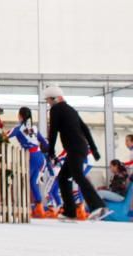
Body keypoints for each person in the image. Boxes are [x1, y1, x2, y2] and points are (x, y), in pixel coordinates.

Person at [43, 85, 108, 221]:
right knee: (63, 177)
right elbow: (85, 129)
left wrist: (50, 152)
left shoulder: (56, 110)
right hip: (80, 148)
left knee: (78, 176)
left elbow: (53, 131)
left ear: (55, 98)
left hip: (74, 149)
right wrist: (94, 148)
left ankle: (98, 206)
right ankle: (70, 211)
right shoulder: (71, 110)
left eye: (48, 100)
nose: (48, 103)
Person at [7, 107, 53, 218]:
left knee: (23, 182)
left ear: (21, 116)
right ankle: (40, 209)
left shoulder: (18, 129)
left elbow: (5, 135)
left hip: (31, 157)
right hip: (40, 157)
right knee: (33, 182)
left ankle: (23, 209)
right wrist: (49, 155)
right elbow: (44, 142)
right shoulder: (34, 128)